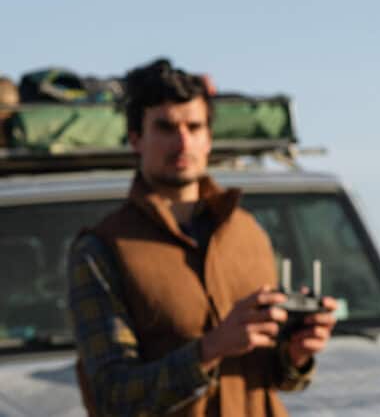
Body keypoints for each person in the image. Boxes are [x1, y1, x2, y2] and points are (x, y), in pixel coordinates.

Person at [67, 58, 337, 416]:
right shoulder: (101, 250)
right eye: (165, 127)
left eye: (194, 127)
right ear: (136, 139)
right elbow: (114, 396)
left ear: (209, 138)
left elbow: (273, 377)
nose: (182, 142)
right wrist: (210, 349)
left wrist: (296, 354)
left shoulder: (247, 232)